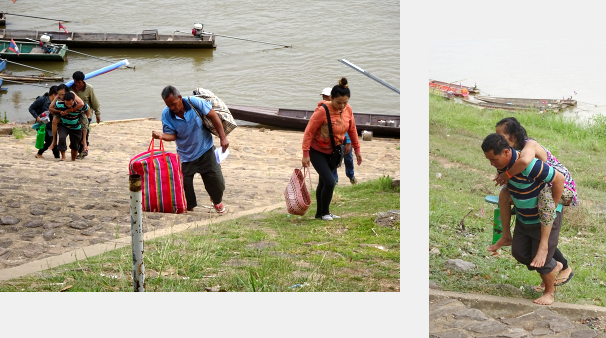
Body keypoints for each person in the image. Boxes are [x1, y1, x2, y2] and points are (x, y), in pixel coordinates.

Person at [489, 117, 575, 289]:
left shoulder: (530, 145)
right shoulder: (508, 154)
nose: (498, 139)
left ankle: (561, 267)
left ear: (513, 136)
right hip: (538, 184)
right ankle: (506, 235)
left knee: (543, 229)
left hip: (557, 185)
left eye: (501, 136)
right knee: (504, 196)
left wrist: (507, 175)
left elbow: (525, 162)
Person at [482, 133, 565, 305]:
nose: (492, 164)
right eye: (489, 160)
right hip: (524, 218)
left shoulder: (531, 166)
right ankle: (554, 266)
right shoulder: (503, 167)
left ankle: (549, 292)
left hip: (543, 221)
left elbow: (559, 179)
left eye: (494, 160)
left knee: (542, 259)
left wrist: (552, 208)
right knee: (519, 252)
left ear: (506, 152)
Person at [152, 85, 229, 214]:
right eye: (169, 105)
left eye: (174, 104)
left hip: (205, 149)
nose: (172, 108)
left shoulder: (195, 102)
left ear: (180, 98)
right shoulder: (166, 114)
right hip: (185, 156)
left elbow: (214, 116)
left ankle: (216, 201)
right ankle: (189, 209)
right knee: (185, 187)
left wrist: (223, 138)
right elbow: (173, 135)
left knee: (217, 182)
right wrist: (161, 136)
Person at [302, 78, 362, 220]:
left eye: (345, 102)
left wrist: (357, 150)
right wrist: (305, 154)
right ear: (331, 98)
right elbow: (309, 132)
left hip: (333, 152)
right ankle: (325, 213)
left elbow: (352, 130)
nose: (342, 106)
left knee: (323, 182)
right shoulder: (322, 111)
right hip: (317, 151)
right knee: (330, 182)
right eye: (338, 102)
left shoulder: (348, 110)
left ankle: (320, 214)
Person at [320, 88, 358, 185]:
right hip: (333, 141)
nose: (324, 98)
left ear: (332, 97)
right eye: (323, 96)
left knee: (348, 158)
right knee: (334, 159)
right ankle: (334, 180)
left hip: (344, 139)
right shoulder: (323, 109)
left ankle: (351, 175)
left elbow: (350, 128)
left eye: (326, 96)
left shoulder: (344, 109)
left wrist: (349, 142)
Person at [48, 84, 86, 154]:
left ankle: (84, 141)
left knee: (84, 122)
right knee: (54, 120)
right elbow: (50, 108)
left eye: (63, 94)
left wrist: (70, 110)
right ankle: (54, 140)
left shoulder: (72, 94)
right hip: (62, 111)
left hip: (75, 111)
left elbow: (81, 104)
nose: (61, 97)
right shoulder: (58, 98)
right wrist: (60, 111)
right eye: (59, 95)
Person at [71, 71, 101, 158]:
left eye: (79, 82)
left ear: (83, 81)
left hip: (87, 113)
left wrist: (97, 114)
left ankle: (83, 151)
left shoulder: (89, 88)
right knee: (76, 132)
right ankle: (76, 149)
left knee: (85, 131)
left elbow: (94, 102)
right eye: (75, 82)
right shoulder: (70, 88)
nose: (77, 84)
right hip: (74, 113)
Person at [54, 92, 87, 161]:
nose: (69, 105)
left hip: (76, 127)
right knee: (61, 138)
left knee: (75, 145)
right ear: (64, 101)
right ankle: (63, 157)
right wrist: (60, 113)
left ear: (74, 100)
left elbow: (88, 109)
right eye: (67, 104)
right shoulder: (59, 103)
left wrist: (83, 119)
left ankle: (73, 160)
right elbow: (54, 111)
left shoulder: (79, 105)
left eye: (71, 104)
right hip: (64, 125)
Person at [29, 85, 60, 159]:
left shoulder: (57, 103)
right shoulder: (42, 100)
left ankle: (57, 157)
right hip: (42, 125)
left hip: (52, 125)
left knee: (54, 142)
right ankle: (39, 153)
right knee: (50, 141)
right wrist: (37, 117)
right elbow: (31, 108)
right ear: (53, 94)